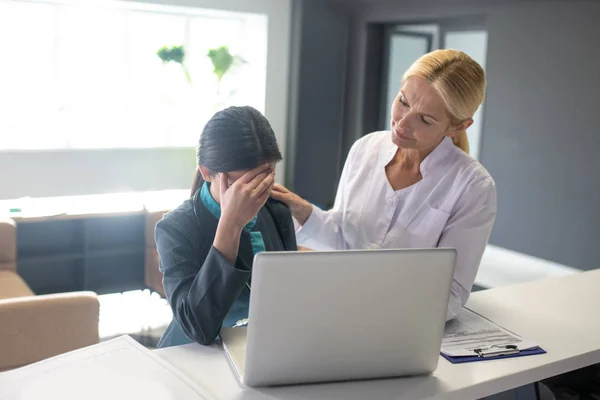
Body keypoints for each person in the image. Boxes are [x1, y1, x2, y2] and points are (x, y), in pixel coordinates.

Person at [272, 49, 497, 320]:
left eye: (425, 119)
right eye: (403, 101)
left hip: (401, 323)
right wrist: (302, 209)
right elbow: (344, 238)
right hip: (339, 308)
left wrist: (366, 297)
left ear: (458, 126)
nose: (402, 123)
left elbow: (451, 295)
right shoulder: (364, 149)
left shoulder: (473, 187)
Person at [155, 106, 297, 347]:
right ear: (208, 172)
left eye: (265, 177)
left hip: (260, 350)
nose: (255, 193)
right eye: (244, 183)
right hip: (194, 357)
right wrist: (231, 224)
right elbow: (197, 327)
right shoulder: (175, 228)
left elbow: (290, 299)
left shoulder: (277, 212)